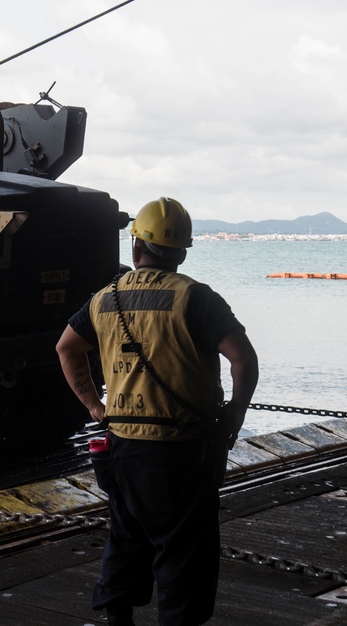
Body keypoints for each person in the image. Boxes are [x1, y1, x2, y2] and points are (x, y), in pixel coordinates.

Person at [56, 197, 258, 625]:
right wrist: (235, 416)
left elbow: (66, 348)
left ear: (135, 248)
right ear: (182, 253)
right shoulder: (196, 298)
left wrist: (95, 405)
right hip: (180, 453)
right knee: (185, 556)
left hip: (121, 449)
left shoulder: (104, 299)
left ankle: (117, 619)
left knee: (125, 540)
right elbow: (243, 360)